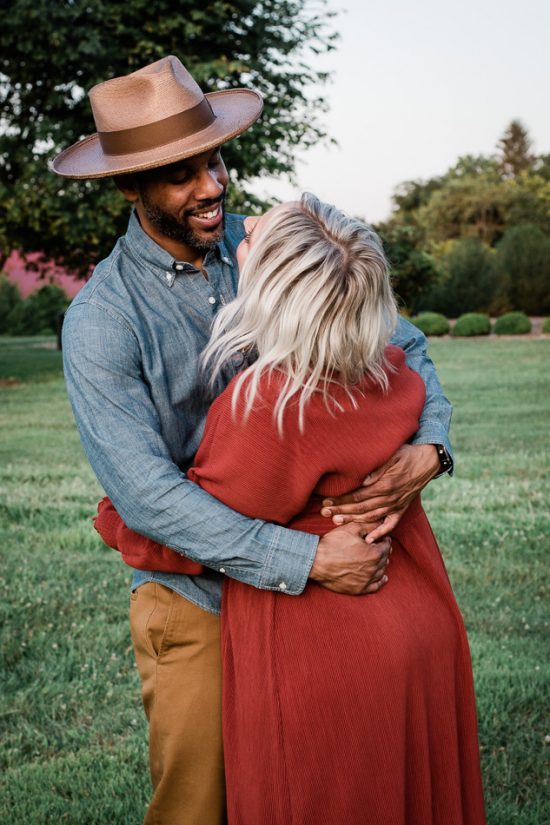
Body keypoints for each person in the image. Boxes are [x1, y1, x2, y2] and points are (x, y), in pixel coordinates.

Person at [55, 56, 455, 825]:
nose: (212, 186)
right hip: (197, 594)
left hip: (320, 602)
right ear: (129, 188)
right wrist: (307, 559)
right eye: (181, 175)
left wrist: (429, 449)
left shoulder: (274, 246)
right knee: (200, 806)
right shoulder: (103, 321)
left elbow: (404, 344)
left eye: (214, 159)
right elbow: (144, 496)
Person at [99, 194, 486, 824]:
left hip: (331, 649)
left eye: (257, 236)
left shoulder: (268, 406)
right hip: (418, 616)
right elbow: (409, 350)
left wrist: (116, 521)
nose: (241, 224)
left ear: (277, 291)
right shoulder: (384, 371)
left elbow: (188, 521)